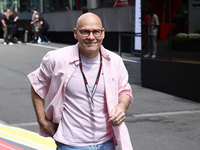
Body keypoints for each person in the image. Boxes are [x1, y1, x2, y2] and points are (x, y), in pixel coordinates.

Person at [28, 12, 133, 150]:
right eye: (85, 32)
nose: (91, 37)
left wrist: (122, 106)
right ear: (75, 33)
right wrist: (42, 121)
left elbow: (124, 90)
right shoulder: (56, 58)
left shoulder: (115, 61)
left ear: (103, 33)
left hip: (107, 142)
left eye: (96, 32)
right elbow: (37, 86)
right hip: (70, 144)